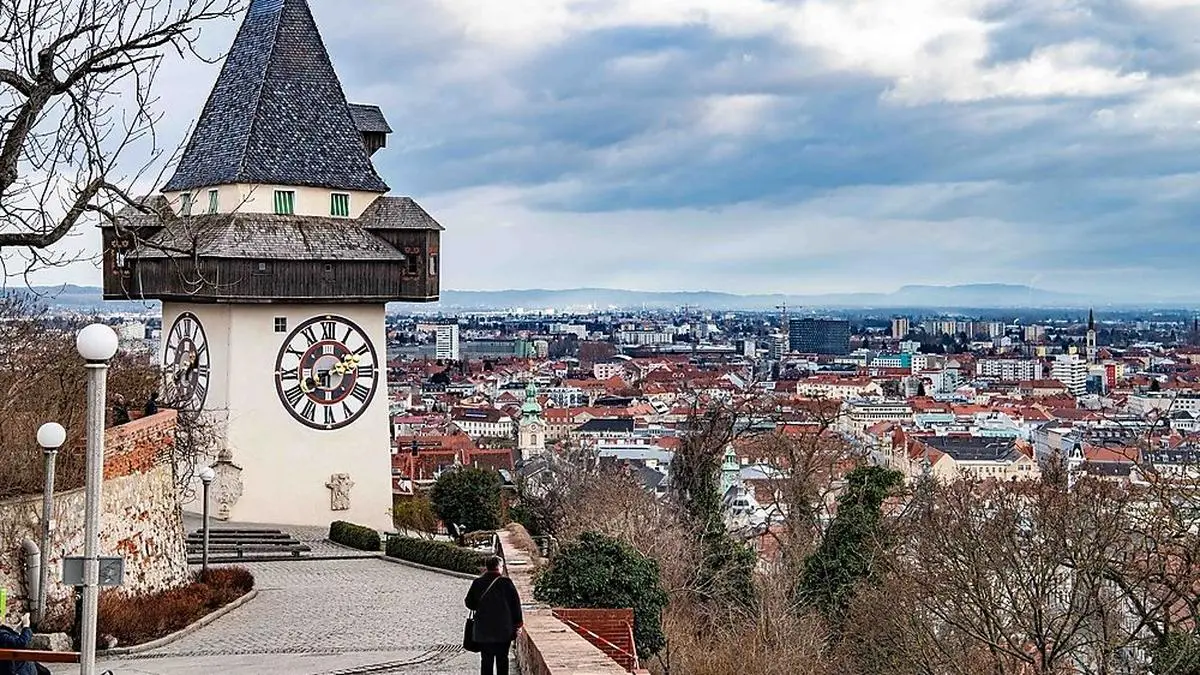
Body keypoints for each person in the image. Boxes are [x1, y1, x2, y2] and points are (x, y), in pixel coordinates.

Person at [464, 556, 523, 675]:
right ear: (499, 567)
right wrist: (518, 624)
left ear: (487, 567)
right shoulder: (506, 583)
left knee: (486, 661)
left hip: (483, 630)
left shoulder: (478, 582)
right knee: (502, 660)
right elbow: (515, 605)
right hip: (503, 630)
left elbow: (469, 603)